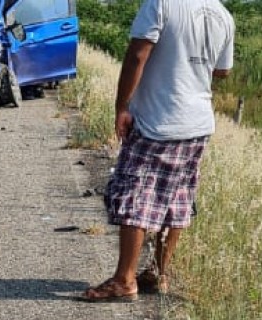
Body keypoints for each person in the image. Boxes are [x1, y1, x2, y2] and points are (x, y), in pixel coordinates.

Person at [81, 0, 235, 302]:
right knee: (178, 197)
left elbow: (137, 55)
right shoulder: (222, 14)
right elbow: (222, 71)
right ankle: (158, 273)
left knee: (135, 192)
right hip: (198, 122)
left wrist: (122, 106)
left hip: (158, 119)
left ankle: (125, 279)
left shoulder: (161, 3)